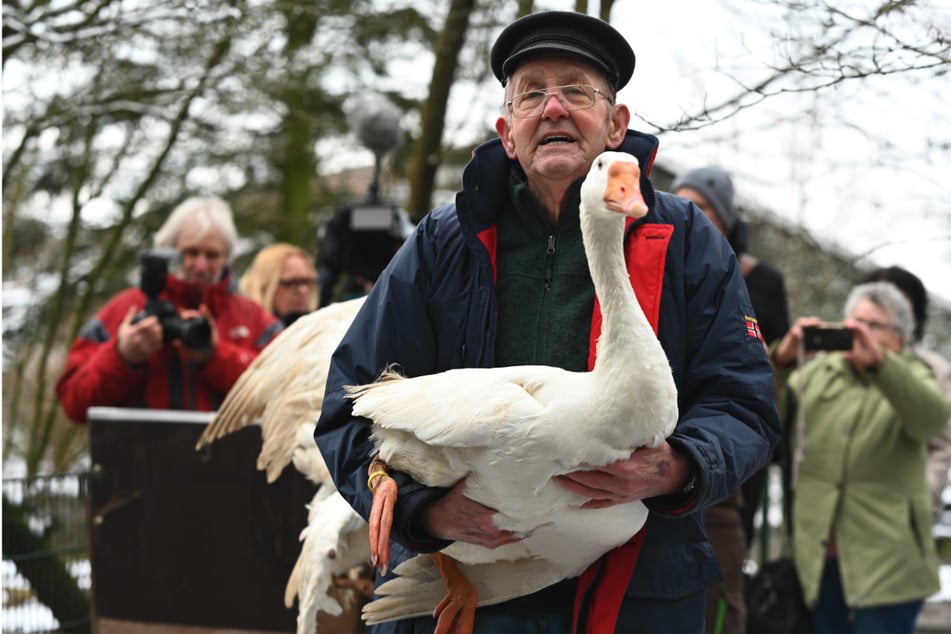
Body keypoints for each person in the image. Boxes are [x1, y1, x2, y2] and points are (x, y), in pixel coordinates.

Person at [315, 11, 780, 633]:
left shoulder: (689, 243)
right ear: (508, 132)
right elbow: (350, 406)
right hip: (465, 597)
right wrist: (425, 515)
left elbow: (745, 405)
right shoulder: (440, 244)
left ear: (617, 123)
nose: (553, 107)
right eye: (531, 92)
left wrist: (679, 466)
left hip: (637, 593)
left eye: (577, 90)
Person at [769, 281, 950, 634]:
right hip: (818, 560)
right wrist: (782, 360)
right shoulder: (817, 373)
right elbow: (763, 416)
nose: (861, 333)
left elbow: (931, 418)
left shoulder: (916, 374)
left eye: (874, 325)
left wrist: (882, 365)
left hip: (888, 564)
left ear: (900, 337)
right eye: (854, 323)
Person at [672, 166, 791, 634]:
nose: (686, 214)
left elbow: (772, 364)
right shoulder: (658, 261)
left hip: (732, 447)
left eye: (699, 206)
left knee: (722, 593)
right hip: (668, 445)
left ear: (723, 215)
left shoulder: (760, 280)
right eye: (679, 201)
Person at [56, 196, 283, 423]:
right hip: (138, 456)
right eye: (191, 253)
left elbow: (286, 397)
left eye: (212, 255)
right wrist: (122, 356)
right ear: (167, 250)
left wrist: (216, 356)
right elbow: (74, 402)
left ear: (227, 257)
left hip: (230, 457)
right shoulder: (125, 310)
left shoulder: (256, 321)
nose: (201, 266)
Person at [862, 265, 951, 509]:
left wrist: (923, 499)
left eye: (901, 304)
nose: (890, 312)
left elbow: (941, 445)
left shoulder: (932, 369)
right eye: (880, 302)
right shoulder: (832, 364)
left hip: (899, 511)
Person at [239, 242, 320, 327]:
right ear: (264, 287)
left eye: (307, 282)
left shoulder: (325, 331)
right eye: (290, 283)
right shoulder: (244, 332)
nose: (303, 290)